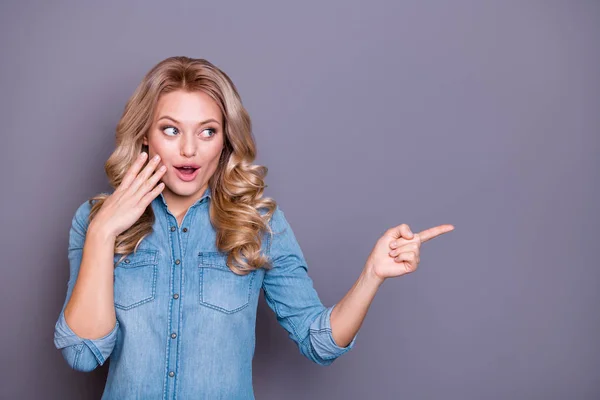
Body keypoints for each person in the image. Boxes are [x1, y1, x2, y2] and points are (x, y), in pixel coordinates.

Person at [53, 56, 454, 399]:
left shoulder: (260, 223)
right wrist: (103, 233)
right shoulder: (93, 221)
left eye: (207, 131)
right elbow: (82, 354)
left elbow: (319, 341)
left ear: (226, 139)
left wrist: (372, 275)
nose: (189, 150)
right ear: (145, 135)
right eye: (171, 129)